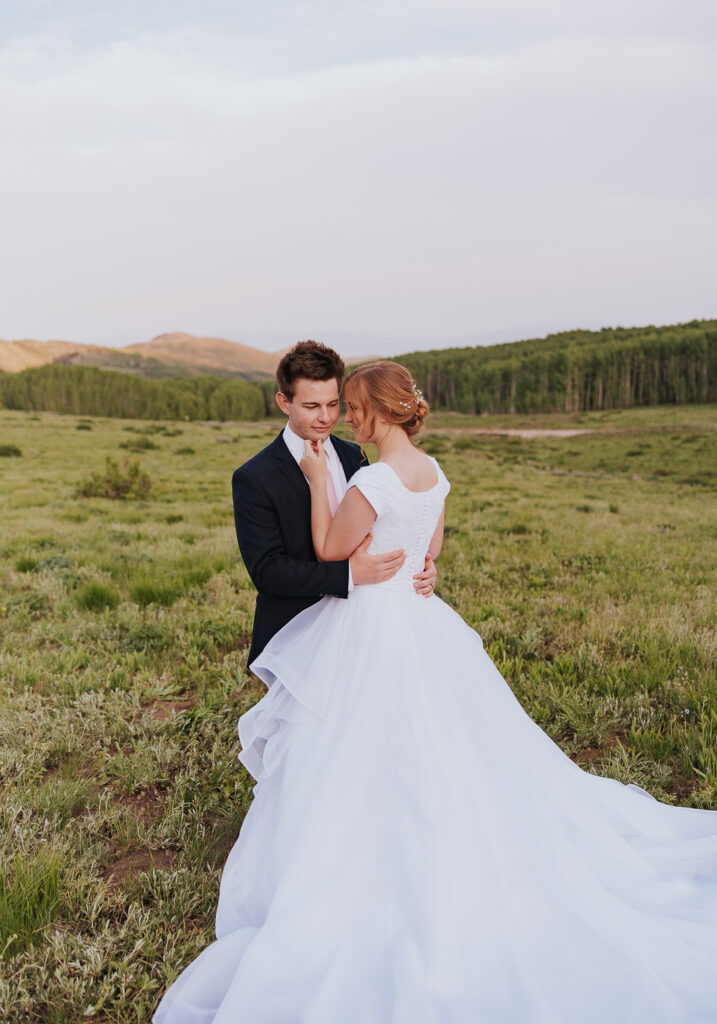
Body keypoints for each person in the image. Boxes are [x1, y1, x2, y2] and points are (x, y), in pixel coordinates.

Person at [154, 362, 717, 1023]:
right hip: (420, 622)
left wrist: (315, 485)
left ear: (373, 412)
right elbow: (429, 548)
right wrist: (419, 565)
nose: (344, 420)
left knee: (355, 743)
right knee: (442, 739)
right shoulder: (433, 472)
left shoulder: (368, 477)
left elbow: (330, 545)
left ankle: (361, 861)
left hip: (369, 627)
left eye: (351, 407)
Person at [229, 340, 437, 667]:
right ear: (284, 402)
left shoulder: (358, 455)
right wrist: (348, 574)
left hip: (371, 633)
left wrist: (421, 568)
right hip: (295, 639)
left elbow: (389, 523)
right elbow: (268, 573)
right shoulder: (254, 477)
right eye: (312, 406)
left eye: (333, 404)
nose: (326, 418)